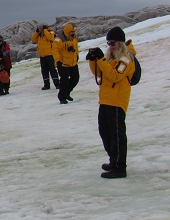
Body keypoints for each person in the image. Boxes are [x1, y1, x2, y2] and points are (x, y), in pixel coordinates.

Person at [86, 26, 136, 179]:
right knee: (105, 132)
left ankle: (120, 167)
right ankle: (114, 160)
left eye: (112, 43)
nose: (110, 46)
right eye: (108, 43)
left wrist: (101, 60)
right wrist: (93, 60)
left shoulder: (126, 59)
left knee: (116, 134)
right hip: (106, 99)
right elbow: (100, 73)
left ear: (120, 43)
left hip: (117, 101)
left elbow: (115, 76)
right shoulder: (112, 58)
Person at [53, 23, 80, 104]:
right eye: (72, 31)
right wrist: (58, 61)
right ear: (68, 31)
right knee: (64, 81)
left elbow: (76, 48)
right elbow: (54, 50)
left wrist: (77, 56)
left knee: (75, 79)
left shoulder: (74, 37)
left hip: (73, 63)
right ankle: (62, 98)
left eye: (74, 31)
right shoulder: (59, 39)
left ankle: (67, 93)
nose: (73, 33)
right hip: (63, 64)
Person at [31, 24, 60, 90]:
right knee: (44, 71)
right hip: (42, 56)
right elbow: (33, 39)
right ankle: (46, 85)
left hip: (50, 55)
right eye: (39, 28)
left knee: (52, 70)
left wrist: (45, 30)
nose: (40, 29)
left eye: (41, 28)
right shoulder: (39, 35)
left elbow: (50, 38)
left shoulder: (50, 32)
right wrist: (37, 32)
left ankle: (57, 84)